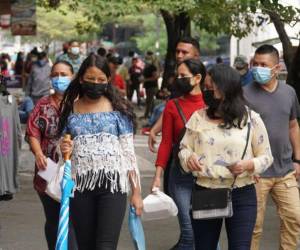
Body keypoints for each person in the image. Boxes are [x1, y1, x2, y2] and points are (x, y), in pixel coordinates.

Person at [178, 64, 273, 250]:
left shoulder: (251, 119)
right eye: (205, 86)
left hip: (241, 193)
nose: (206, 90)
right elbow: (183, 148)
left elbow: (267, 156)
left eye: (211, 86)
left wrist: (248, 164)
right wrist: (188, 158)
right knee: (204, 246)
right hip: (205, 190)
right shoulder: (198, 117)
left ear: (226, 87)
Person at [58, 54, 143, 250]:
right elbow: (63, 147)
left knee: (106, 245)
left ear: (108, 80)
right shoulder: (71, 109)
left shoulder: (118, 109)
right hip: (80, 187)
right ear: (81, 79)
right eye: (90, 79)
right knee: (86, 245)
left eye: (101, 80)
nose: (95, 83)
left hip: (113, 186)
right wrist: (63, 149)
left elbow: (129, 155)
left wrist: (136, 193)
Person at [243, 44, 300, 250]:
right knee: (253, 226)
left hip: (285, 169)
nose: (258, 68)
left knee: (294, 217)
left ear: (276, 68)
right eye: (255, 64)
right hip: (256, 172)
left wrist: (297, 160)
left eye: (263, 65)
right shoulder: (244, 94)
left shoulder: (289, 92)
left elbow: (293, 126)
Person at [151, 58, 206, 250]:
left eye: (184, 76)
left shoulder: (211, 103)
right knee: (189, 230)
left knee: (206, 232)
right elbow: (166, 143)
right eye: (178, 75)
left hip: (208, 177)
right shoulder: (172, 106)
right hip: (180, 176)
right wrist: (158, 176)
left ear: (197, 78)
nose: (179, 79)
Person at [26, 61, 77, 250]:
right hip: (47, 168)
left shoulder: (80, 103)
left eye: (64, 74)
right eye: (55, 74)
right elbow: (32, 132)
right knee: (53, 217)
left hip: (74, 169)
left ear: (72, 76)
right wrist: (38, 153)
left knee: (72, 218)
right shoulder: (43, 104)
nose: (59, 78)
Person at [148, 37, 201, 153]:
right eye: (177, 51)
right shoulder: (178, 79)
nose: (179, 55)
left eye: (184, 52)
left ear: (196, 55)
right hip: (178, 146)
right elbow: (171, 109)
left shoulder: (207, 80)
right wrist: (155, 130)